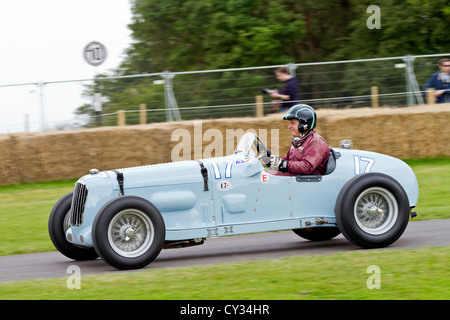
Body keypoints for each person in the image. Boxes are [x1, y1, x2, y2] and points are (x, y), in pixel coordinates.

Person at [270, 104, 330, 175]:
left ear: (304, 124)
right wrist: (272, 161)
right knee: (265, 175)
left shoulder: (316, 142)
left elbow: (307, 166)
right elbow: (286, 160)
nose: (289, 126)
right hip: (295, 179)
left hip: (307, 182)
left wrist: (283, 164)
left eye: (293, 123)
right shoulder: (298, 141)